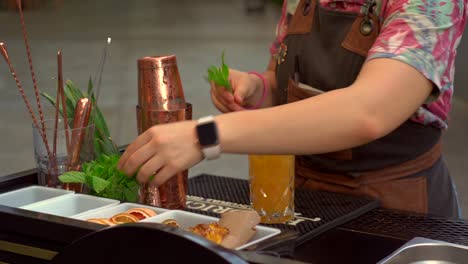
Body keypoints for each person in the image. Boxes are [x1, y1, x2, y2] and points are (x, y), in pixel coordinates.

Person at [118, 0, 467, 218]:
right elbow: (282, 86)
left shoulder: (432, 4)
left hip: (393, 210)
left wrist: (203, 135)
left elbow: (368, 111)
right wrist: (256, 88)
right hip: (302, 202)